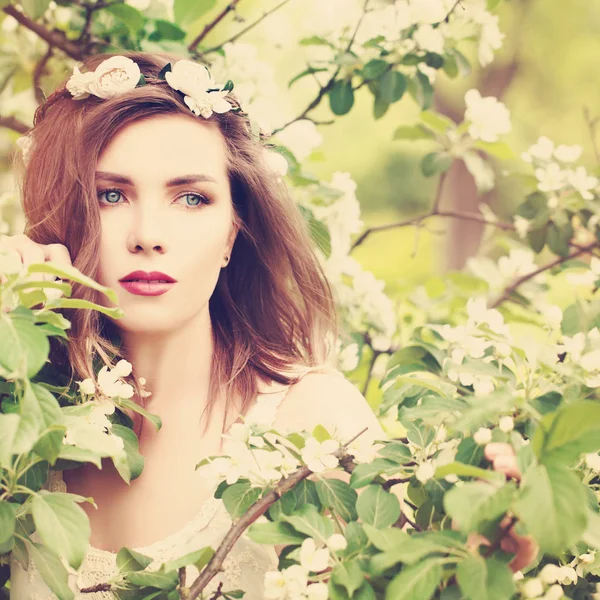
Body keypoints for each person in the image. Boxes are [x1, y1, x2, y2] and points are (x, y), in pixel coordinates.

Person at [3, 51, 535, 599]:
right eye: (110, 195)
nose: (148, 234)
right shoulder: (25, 422)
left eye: (191, 198)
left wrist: (476, 560)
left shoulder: (311, 423)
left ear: (233, 232)